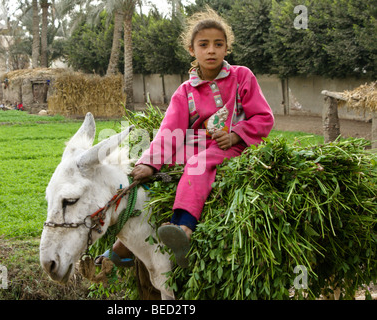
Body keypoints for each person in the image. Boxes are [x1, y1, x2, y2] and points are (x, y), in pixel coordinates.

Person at [96, 7, 274, 268]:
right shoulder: (185, 91)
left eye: (218, 44)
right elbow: (170, 131)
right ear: (192, 50)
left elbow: (264, 118)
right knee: (156, 173)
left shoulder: (242, 77)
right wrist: (150, 162)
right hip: (197, 146)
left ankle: (184, 227)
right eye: (204, 45)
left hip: (235, 148)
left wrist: (236, 136)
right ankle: (125, 245)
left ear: (227, 49)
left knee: (196, 165)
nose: (211, 50)